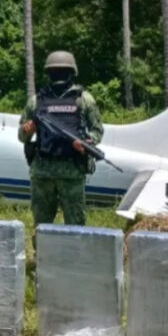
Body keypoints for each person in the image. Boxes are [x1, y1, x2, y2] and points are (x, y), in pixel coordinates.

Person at [18, 50, 103, 227]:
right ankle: (41, 255)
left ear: (71, 73)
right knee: (41, 226)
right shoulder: (36, 101)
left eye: (62, 72)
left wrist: (87, 143)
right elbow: (21, 136)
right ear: (49, 74)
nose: (59, 76)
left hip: (72, 172)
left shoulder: (83, 99)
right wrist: (28, 130)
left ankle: (74, 255)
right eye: (55, 72)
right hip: (43, 174)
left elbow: (97, 131)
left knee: (76, 226)